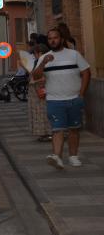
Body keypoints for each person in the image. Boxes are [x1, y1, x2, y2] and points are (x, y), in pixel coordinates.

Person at [33, 28, 90, 169]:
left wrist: (81, 93)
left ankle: (73, 156)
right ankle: (57, 157)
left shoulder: (74, 55)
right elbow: (36, 76)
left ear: (62, 39)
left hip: (74, 98)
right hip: (54, 100)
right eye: (50, 38)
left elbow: (86, 73)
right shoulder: (44, 57)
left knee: (74, 129)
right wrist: (43, 63)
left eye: (55, 38)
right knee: (57, 130)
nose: (52, 40)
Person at [23, 43, 51, 142]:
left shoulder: (44, 62)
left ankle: (48, 133)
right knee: (39, 113)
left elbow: (41, 77)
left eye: (34, 53)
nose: (34, 56)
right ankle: (44, 133)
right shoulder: (38, 62)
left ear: (40, 53)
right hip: (36, 92)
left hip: (40, 91)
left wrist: (33, 80)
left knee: (43, 113)